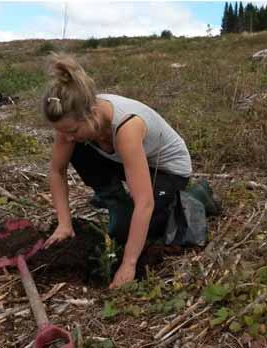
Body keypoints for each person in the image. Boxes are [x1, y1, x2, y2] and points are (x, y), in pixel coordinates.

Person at [40, 53, 193, 289]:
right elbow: (56, 171)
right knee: (77, 150)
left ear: (91, 113)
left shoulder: (126, 128)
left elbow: (145, 203)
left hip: (167, 169)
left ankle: (197, 197)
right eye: (62, 131)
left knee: (139, 229)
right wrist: (64, 224)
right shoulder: (73, 119)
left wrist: (129, 264)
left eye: (72, 130)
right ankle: (115, 202)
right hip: (125, 159)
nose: (66, 137)